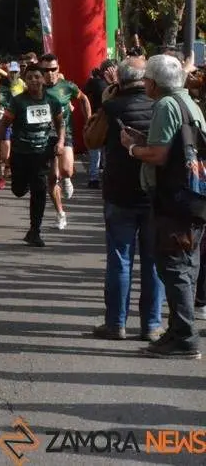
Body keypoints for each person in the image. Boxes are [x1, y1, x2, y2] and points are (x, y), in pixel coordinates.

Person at [122, 54, 203, 359]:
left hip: (174, 197)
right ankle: (178, 331)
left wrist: (131, 147)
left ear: (154, 82)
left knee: (174, 266)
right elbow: (173, 145)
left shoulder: (168, 105)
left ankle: (184, 336)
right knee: (186, 264)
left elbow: (157, 154)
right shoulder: (187, 101)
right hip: (190, 196)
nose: (143, 85)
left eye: (146, 80)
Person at [94, 57, 163, 341]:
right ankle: (151, 325)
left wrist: (106, 99)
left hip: (119, 194)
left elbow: (92, 141)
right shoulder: (160, 106)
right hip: (154, 194)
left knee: (119, 260)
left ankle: (116, 324)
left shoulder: (111, 107)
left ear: (119, 80)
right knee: (153, 262)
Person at [0, 63, 65, 247]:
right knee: (18, 190)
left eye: (37, 77)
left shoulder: (52, 101)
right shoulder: (19, 101)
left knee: (39, 190)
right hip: (20, 153)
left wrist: (60, 142)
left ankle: (35, 231)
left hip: (41, 153)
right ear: (25, 81)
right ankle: (22, 182)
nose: (34, 80)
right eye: (30, 77)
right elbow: (4, 124)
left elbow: (60, 124)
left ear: (43, 79)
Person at [39, 53, 92, 224]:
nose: (49, 73)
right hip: (44, 137)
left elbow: (83, 99)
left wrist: (88, 120)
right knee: (52, 177)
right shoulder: (35, 89)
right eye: (45, 70)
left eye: (53, 69)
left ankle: (67, 179)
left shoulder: (67, 86)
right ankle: (60, 213)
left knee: (67, 170)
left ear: (58, 69)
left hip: (64, 132)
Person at [84, 59, 117, 188]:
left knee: (95, 150)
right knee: (105, 151)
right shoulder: (108, 85)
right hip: (107, 119)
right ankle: (104, 177)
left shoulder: (96, 82)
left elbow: (85, 91)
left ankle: (94, 178)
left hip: (97, 119)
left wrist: (91, 79)